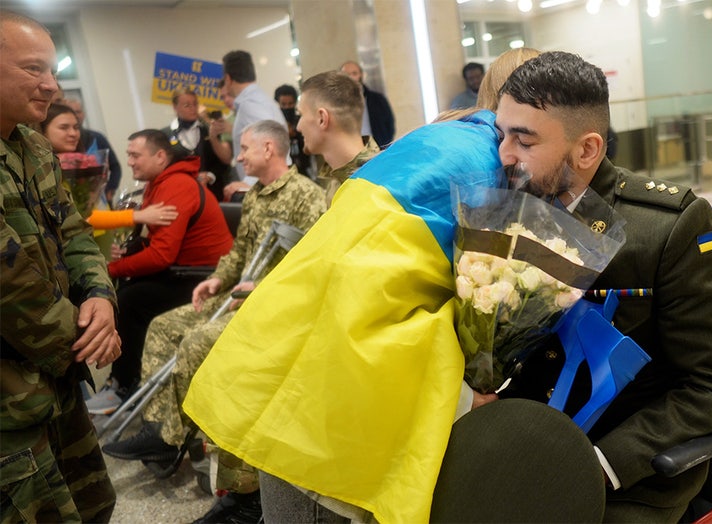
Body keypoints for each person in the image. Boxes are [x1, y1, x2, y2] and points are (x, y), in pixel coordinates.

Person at [183, 49, 538, 524]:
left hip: (295, 388)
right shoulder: (485, 165)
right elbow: (369, 306)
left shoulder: (435, 142)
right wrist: (462, 400)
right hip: (333, 435)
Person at [491, 51, 712, 522]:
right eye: (501, 134)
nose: (504, 154)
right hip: (523, 445)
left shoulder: (666, 228)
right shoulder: (509, 211)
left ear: (587, 149)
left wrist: (600, 464)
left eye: (524, 140)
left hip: (625, 472)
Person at [102, 120, 329, 521]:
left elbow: (309, 265)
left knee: (197, 343)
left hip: (275, 302)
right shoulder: (257, 195)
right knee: (164, 327)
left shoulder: (305, 196)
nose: (237, 156)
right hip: (237, 292)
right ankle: (160, 432)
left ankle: (179, 440)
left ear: (269, 150)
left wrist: (258, 288)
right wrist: (218, 279)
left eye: (244, 148)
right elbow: (240, 250)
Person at [0, 10, 120, 522]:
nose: (52, 85)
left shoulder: (32, 146)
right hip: (12, 394)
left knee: (91, 503)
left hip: (55, 378)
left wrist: (100, 298)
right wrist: (86, 339)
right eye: (33, 70)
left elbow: (73, 232)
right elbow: (6, 278)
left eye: (53, 69)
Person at [85, 129, 233, 415]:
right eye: (128, 155)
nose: (129, 162)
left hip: (207, 278)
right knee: (128, 291)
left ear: (160, 156)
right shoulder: (161, 182)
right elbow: (157, 242)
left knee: (131, 300)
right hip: (185, 270)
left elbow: (161, 255)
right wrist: (127, 257)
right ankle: (127, 380)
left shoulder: (175, 185)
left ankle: (126, 385)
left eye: (135, 155)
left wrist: (113, 268)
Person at [40, 103, 177, 231]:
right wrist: (138, 216)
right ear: (43, 131)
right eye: (64, 127)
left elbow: (90, 211)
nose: (73, 133)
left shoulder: (83, 162)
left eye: (76, 127)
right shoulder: (41, 171)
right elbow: (77, 218)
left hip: (100, 233)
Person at [297, 71, 381, 206]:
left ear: (322, 119)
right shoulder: (337, 177)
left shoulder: (376, 182)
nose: (298, 127)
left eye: (301, 114)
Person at [221, 50, 288, 200]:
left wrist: (250, 183)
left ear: (228, 78)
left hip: (264, 188)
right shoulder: (256, 101)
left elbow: (269, 144)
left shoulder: (252, 105)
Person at [161, 88, 232, 202]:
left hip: (212, 194)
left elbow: (223, 163)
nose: (193, 109)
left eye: (195, 104)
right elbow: (164, 168)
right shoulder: (164, 135)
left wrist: (210, 175)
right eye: (187, 105)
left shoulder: (210, 130)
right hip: (181, 195)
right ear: (175, 107)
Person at [62, 97, 123, 204]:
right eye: (72, 112)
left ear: (84, 114)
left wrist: (109, 190)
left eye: (78, 111)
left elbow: (115, 167)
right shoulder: (59, 146)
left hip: (100, 201)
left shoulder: (97, 138)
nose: (76, 115)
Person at [340, 60, 395, 149]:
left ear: (361, 75)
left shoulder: (377, 99)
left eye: (354, 73)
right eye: (347, 74)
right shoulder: (337, 104)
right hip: (351, 152)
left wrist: (384, 146)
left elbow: (389, 124)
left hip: (377, 149)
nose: (351, 77)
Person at [274, 83, 313, 178]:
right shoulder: (274, 123)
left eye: (290, 104)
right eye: (283, 104)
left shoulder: (302, 120)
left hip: (304, 170)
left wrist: (296, 134)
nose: (287, 107)